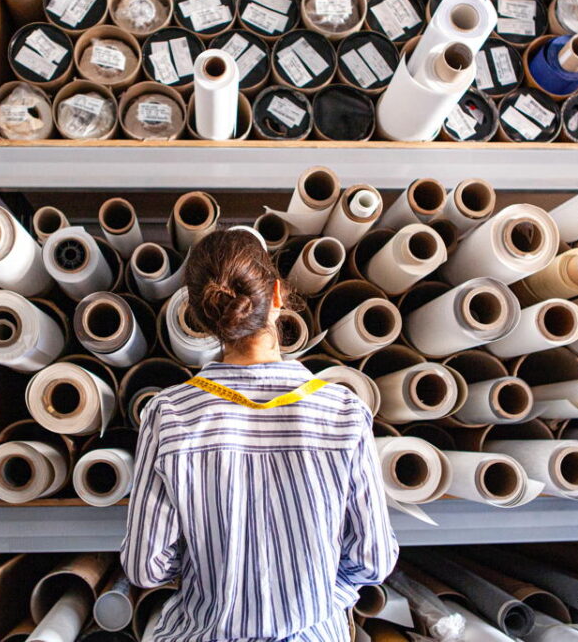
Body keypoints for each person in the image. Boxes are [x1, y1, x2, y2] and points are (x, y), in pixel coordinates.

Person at [121, 228, 398, 642]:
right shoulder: (343, 412)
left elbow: (146, 566)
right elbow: (372, 560)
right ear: (278, 296)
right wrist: (317, 600)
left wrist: (213, 571)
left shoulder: (169, 415)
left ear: (199, 316)